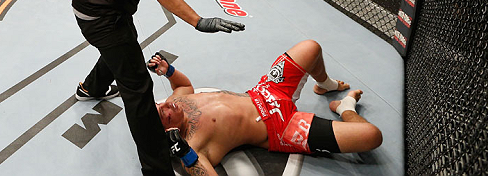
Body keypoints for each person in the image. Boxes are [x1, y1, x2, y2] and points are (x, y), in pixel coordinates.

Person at [71, 0, 245, 176]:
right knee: (138, 89)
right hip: (102, 17)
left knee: (124, 48)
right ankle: (156, 169)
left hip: (104, 11)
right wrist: (197, 21)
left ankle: (91, 88)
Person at [147, 39, 382, 174]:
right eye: (165, 115)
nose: (168, 105)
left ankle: (324, 85)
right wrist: (185, 154)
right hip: (281, 128)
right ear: (170, 133)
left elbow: (184, 85)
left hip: (266, 91)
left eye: (161, 105)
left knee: (311, 47)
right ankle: (345, 107)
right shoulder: (195, 145)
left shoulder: (178, 102)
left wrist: (168, 70)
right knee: (371, 136)